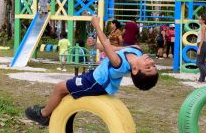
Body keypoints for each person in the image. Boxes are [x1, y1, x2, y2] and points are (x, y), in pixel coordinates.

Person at [24, 14, 158, 126]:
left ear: (134, 70)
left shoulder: (119, 63)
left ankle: (43, 115)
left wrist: (96, 24)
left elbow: (106, 44)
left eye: (148, 67)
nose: (151, 62)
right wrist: (94, 44)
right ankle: (50, 110)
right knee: (65, 90)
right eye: (153, 66)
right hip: (95, 77)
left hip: (95, 83)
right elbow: (110, 47)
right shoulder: (137, 50)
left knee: (60, 88)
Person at [196, 13, 206, 83]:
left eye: (200, 19)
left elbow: (202, 38)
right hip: (203, 45)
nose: (198, 20)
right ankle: (201, 79)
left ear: (203, 20)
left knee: (198, 63)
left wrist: (199, 48)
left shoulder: (203, 27)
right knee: (202, 62)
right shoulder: (204, 26)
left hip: (202, 45)